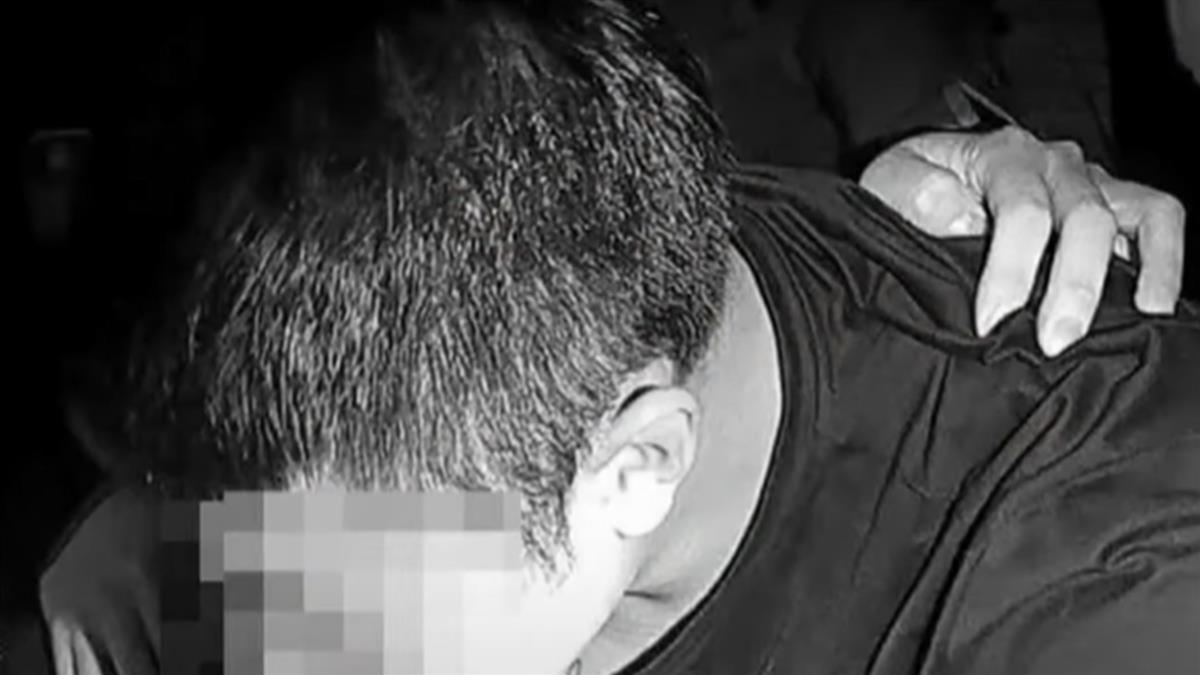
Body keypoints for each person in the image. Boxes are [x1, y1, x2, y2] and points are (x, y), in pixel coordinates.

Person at [35, 1, 1196, 674]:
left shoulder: (1100, 584)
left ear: (636, 468)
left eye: (344, 633)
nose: (256, 640)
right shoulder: (512, 326)